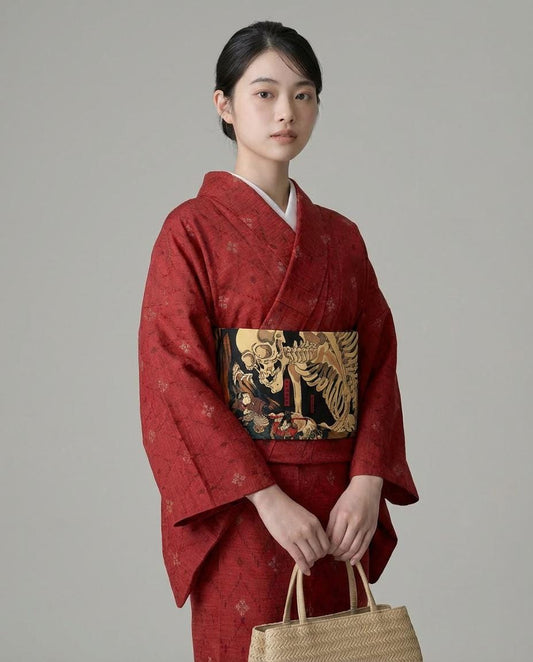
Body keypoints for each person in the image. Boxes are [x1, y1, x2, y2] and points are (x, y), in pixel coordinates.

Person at [138, 20, 419, 662]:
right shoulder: (190, 232)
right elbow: (173, 378)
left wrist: (367, 483)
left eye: (303, 94)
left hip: (339, 506)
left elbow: (377, 363)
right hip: (244, 504)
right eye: (264, 93)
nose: (285, 111)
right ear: (224, 105)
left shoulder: (341, 238)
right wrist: (266, 499)